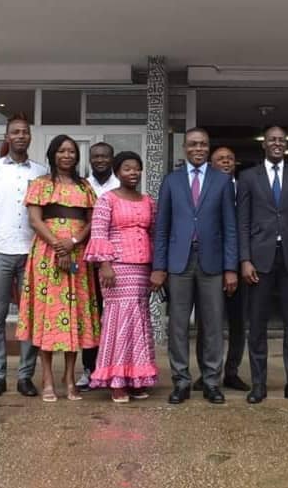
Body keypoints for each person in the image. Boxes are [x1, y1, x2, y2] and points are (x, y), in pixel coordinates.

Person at [150, 127, 238, 405]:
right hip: (179, 262)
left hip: (212, 262)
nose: (198, 149)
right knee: (177, 325)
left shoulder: (221, 181)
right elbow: (161, 228)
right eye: (193, 144)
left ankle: (212, 381)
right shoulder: (171, 182)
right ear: (184, 148)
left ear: (208, 149)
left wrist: (231, 267)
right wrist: (159, 266)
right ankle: (181, 381)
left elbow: (230, 228)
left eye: (203, 144)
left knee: (211, 324)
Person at [18, 135, 99, 402]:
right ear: (53, 155)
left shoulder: (86, 187)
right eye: (62, 151)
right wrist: (58, 246)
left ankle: (70, 378)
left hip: (78, 255)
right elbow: (34, 219)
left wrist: (73, 242)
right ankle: (48, 379)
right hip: (46, 255)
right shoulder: (41, 185)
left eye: (72, 151)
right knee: (48, 317)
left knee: (74, 315)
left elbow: (92, 221)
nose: (67, 155)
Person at [238, 127, 288, 404]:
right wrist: (245, 260)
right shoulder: (248, 177)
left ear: (287, 145)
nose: (277, 143)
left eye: (282, 140)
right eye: (272, 139)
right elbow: (243, 221)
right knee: (257, 325)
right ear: (264, 145)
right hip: (259, 260)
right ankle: (258, 384)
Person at [0, 113, 47, 398]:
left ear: (30, 137)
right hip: (0, 250)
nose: (20, 136)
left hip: (32, 252)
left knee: (30, 317)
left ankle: (25, 376)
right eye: (15, 132)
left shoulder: (40, 172)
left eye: (24, 132)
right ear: (7, 137)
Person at [84, 151, 159, 403]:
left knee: (139, 322)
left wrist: (157, 268)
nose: (133, 173)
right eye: (127, 168)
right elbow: (98, 233)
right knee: (118, 323)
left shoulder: (148, 201)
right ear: (117, 172)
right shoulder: (107, 200)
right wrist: (104, 264)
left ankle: (137, 378)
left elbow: (154, 234)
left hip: (142, 268)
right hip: (116, 269)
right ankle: (116, 380)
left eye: (136, 168)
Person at [193, 146, 248, 393]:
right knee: (208, 322)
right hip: (211, 264)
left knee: (237, 321)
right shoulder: (203, 189)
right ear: (210, 164)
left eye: (230, 158)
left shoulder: (245, 187)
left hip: (241, 264)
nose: (226, 162)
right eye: (220, 159)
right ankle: (206, 372)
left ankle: (231, 371)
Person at [77, 141, 119, 391]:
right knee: (90, 315)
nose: (100, 160)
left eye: (105, 155)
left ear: (111, 158)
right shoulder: (82, 186)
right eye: (96, 156)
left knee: (111, 316)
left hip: (115, 262)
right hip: (86, 260)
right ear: (90, 159)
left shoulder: (121, 185)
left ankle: (112, 366)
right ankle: (89, 369)